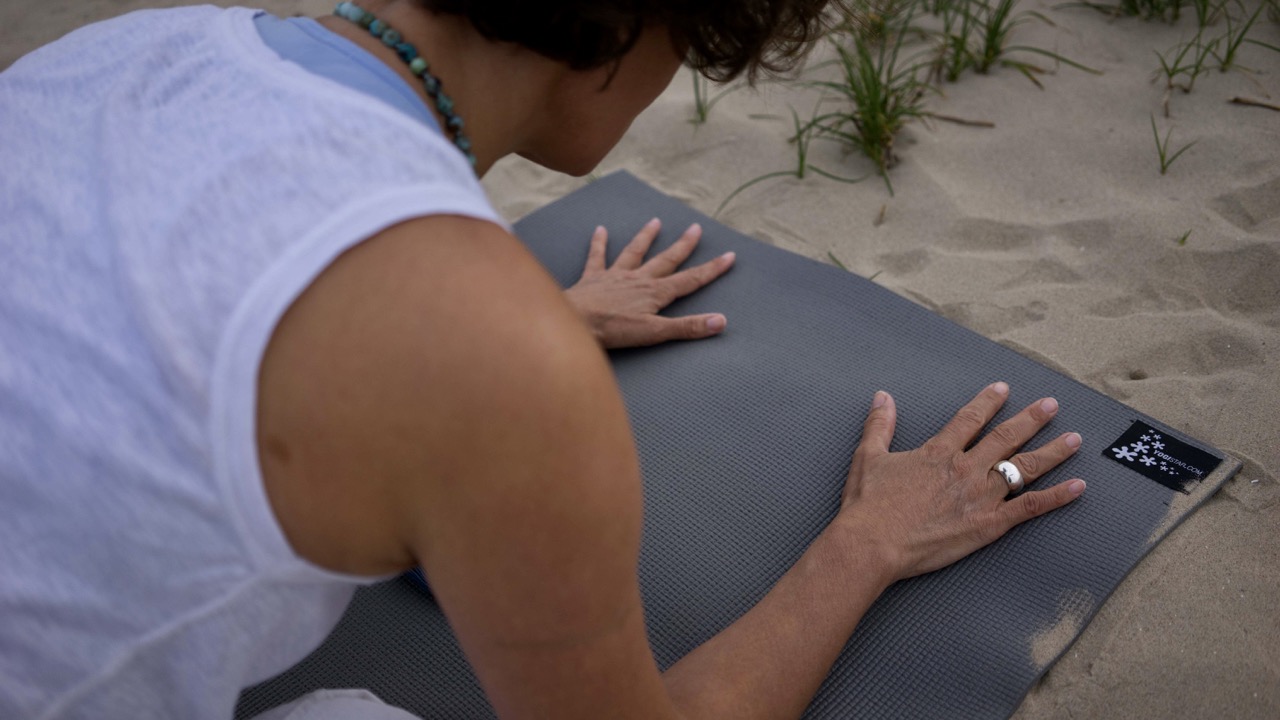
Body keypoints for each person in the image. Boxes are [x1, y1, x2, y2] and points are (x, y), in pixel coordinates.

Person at [0, 1, 1088, 717]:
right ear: (627, 28)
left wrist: (509, 329)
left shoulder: (141, 48)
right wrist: (868, 542)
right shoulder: (489, 365)